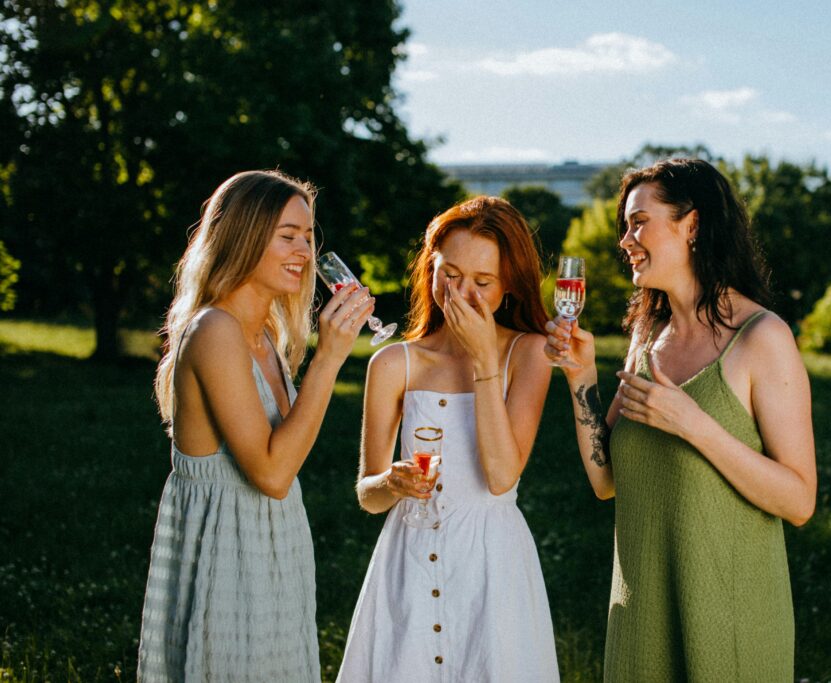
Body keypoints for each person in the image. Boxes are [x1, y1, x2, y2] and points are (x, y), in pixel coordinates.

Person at [545, 158, 817, 682]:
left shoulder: (763, 338)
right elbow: (606, 483)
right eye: (626, 226)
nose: (625, 239)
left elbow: (799, 500)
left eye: (639, 222)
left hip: (727, 622)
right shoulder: (648, 337)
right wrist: (580, 377)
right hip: (640, 619)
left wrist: (696, 426)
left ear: (691, 225)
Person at [137, 170, 375, 682]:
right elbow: (271, 473)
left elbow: (287, 452)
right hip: (227, 554)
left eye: (309, 237)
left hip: (274, 546)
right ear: (244, 236)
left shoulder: (265, 336)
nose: (305, 252)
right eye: (287, 235)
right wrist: (330, 358)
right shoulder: (215, 331)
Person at [336, 196, 560, 682]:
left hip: (492, 567)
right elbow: (367, 495)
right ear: (429, 267)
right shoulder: (394, 364)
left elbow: (501, 478)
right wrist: (391, 483)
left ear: (508, 287)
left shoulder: (530, 354)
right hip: (410, 564)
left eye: (482, 282)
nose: (461, 293)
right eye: (450, 274)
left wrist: (483, 361)